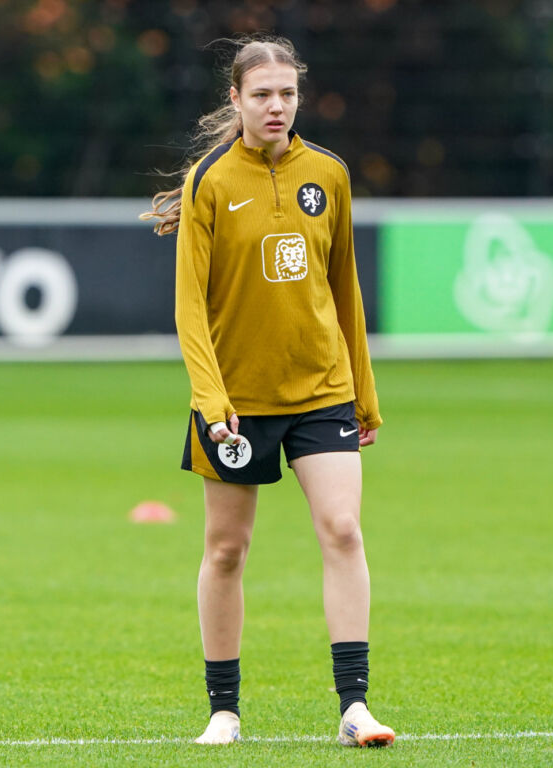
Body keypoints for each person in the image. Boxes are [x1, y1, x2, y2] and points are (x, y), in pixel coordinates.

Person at [142, 36, 394, 748]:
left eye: (286, 93)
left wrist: (364, 396)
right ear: (235, 100)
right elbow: (190, 306)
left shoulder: (330, 174)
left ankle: (354, 708)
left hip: (323, 390)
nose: (276, 106)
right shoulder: (209, 181)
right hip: (237, 402)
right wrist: (209, 399)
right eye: (261, 94)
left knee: (343, 529)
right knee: (226, 550)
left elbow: (343, 290)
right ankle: (224, 710)